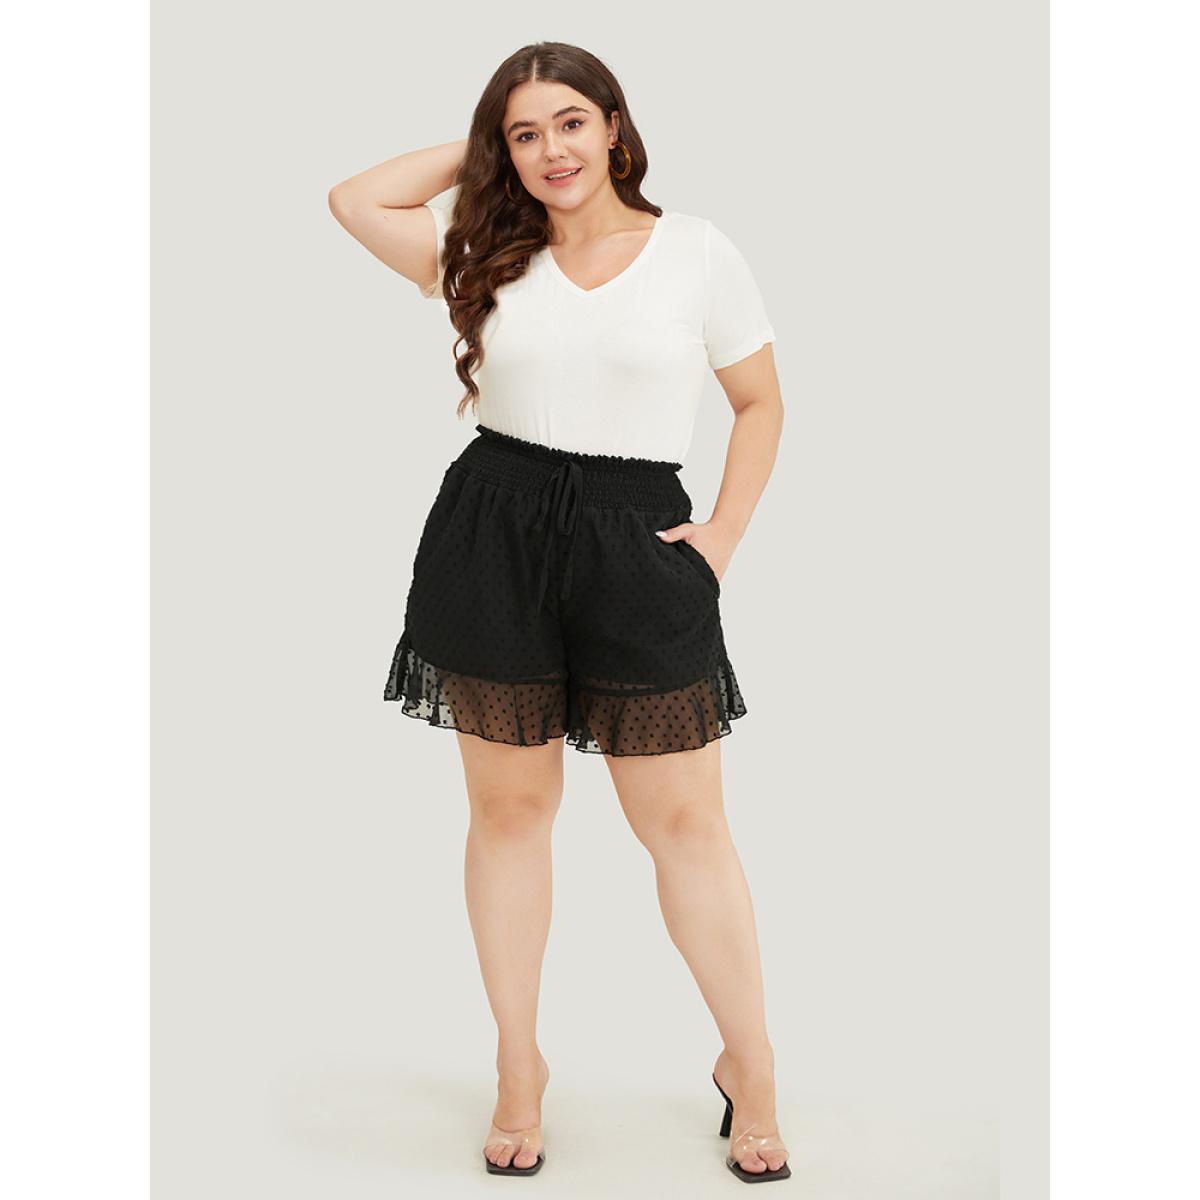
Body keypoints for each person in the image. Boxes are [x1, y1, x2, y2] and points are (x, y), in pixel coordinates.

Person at [328, 40, 790, 1184]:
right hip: (494, 531)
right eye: (526, 133)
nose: (552, 150)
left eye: (571, 122)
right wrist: (483, 152)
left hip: (638, 544)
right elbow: (355, 198)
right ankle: (519, 1065)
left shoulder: (696, 251)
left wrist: (725, 534)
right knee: (510, 814)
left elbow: (759, 401)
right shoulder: (485, 251)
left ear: (616, 127)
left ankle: (752, 1066)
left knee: (686, 826)